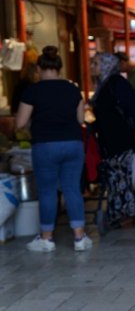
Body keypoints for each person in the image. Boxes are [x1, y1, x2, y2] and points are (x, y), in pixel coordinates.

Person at [15, 46, 92, 252]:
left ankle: (47, 238)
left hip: (45, 146)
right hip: (73, 144)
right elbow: (80, 119)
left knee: (48, 192)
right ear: (59, 68)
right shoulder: (72, 89)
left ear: (39, 68)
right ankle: (79, 238)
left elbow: (20, 123)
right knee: (72, 189)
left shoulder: (32, 90)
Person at [91, 52, 135, 228]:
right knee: (118, 179)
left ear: (107, 64)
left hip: (122, 139)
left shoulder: (117, 82)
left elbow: (134, 106)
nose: (93, 66)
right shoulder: (105, 83)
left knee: (122, 178)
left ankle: (127, 216)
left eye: (96, 63)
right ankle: (126, 215)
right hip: (111, 140)